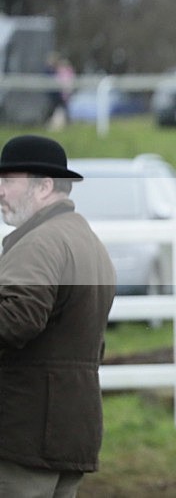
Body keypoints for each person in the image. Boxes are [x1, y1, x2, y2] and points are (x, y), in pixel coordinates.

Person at [0, 135, 116, 498]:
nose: (0, 192)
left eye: (8, 182)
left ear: (44, 186)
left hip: (26, 432)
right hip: (71, 430)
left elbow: (17, 317)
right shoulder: (88, 242)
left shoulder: (40, 242)